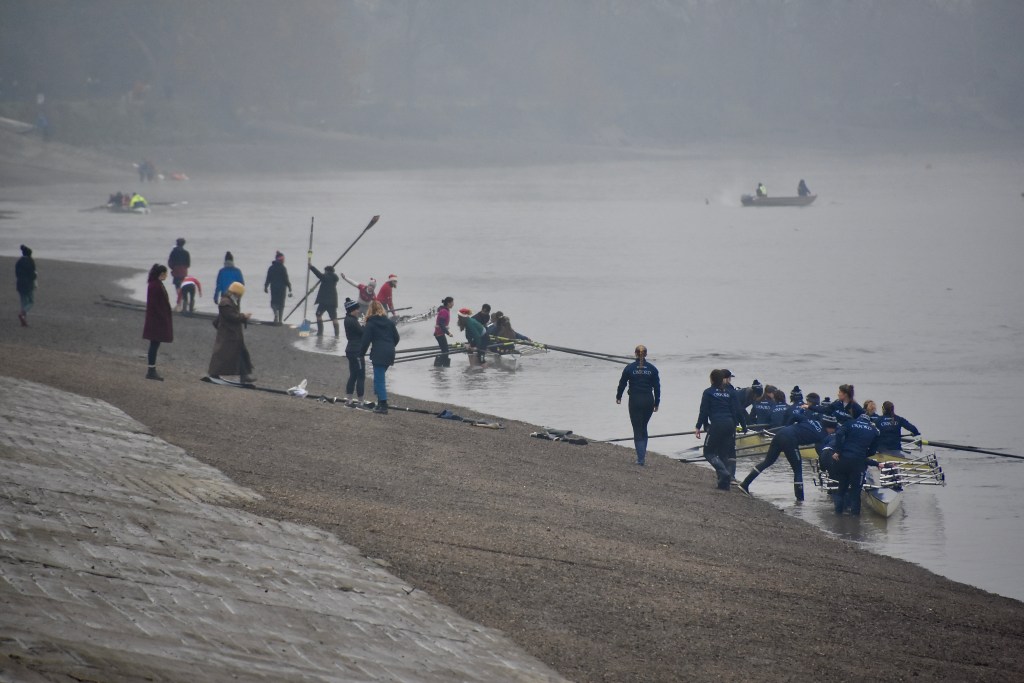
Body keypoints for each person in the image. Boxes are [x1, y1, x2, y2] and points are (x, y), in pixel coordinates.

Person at [740, 411, 837, 500]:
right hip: (790, 440)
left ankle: (744, 484)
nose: (833, 432)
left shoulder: (812, 420)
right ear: (830, 428)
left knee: (767, 462)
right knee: (798, 470)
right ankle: (800, 500)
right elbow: (821, 451)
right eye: (833, 430)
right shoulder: (823, 436)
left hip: (781, 433)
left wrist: (786, 426)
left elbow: (794, 416)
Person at [695, 369, 747, 490]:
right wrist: (743, 426)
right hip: (730, 425)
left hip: (717, 424)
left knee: (708, 452)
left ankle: (724, 473)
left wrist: (699, 426)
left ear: (712, 379)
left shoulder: (708, 392)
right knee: (724, 453)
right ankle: (724, 483)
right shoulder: (730, 392)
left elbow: (704, 411)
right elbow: (737, 410)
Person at [615, 345, 661, 466]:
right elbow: (657, 388)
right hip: (648, 400)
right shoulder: (652, 369)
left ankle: (641, 459)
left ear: (635, 354)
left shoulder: (629, 368)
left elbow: (622, 384)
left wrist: (619, 396)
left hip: (635, 400)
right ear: (646, 354)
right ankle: (642, 455)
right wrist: (657, 402)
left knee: (637, 429)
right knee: (644, 426)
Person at [831, 412, 880, 515]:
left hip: (844, 459)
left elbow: (839, 434)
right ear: (868, 421)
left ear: (858, 419)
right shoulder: (874, 430)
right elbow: (873, 451)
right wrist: (863, 454)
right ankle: (855, 519)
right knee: (856, 492)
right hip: (858, 463)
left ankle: (838, 515)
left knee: (841, 489)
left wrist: (838, 451)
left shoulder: (850, 423)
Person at [208, 282, 255, 383]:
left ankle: (244, 376)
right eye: (240, 294)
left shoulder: (230, 301)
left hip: (233, 333)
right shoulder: (226, 302)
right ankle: (214, 373)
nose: (241, 296)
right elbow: (231, 316)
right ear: (236, 292)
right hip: (228, 334)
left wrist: (242, 317)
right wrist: (243, 316)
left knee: (240, 354)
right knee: (222, 355)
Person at [359, 300, 400, 414]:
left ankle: (383, 405)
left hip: (378, 353)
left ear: (370, 310)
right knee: (378, 378)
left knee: (379, 379)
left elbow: (365, 341)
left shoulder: (370, 323)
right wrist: (390, 346)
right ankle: (380, 403)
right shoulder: (389, 322)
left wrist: (361, 354)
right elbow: (397, 338)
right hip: (390, 352)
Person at [142, 264, 173, 381]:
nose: (166, 276)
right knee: (154, 345)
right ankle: (151, 370)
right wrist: (163, 317)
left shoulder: (155, 284)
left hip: (155, 319)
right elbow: (155, 304)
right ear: (161, 274)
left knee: (154, 344)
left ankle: (151, 369)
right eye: (165, 273)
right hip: (156, 320)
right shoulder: (156, 286)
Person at [342, 298, 366, 406]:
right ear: (352, 310)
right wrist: (365, 324)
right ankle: (360, 401)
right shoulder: (352, 320)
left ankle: (349, 399)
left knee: (353, 375)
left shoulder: (348, 319)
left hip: (350, 350)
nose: (358, 311)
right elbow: (362, 332)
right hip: (357, 351)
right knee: (360, 376)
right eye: (357, 309)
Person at [309, 263, 340, 336]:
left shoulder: (326, 277)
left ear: (327, 271)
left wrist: (311, 267)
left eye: (325, 271)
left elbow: (319, 274)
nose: (324, 272)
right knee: (334, 318)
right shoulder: (334, 278)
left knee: (318, 314)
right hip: (333, 302)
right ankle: (337, 335)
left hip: (324, 302)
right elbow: (321, 276)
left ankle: (320, 332)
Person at [263, 251, 292, 325]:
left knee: (273, 303)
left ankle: (275, 313)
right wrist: (289, 287)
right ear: (281, 260)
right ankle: (280, 320)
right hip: (282, 289)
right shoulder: (283, 268)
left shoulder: (271, 268)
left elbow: (268, 278)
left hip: (274, 288)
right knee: (281, 304)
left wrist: (266, 286)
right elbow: (286, 279)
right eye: (283, 259)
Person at [15, 244, 37, 327]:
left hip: (20, 283)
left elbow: (17, 274)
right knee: (31, 301)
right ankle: (22, 313)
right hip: (28, 284)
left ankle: (23, 319)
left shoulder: (19, 262)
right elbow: (32, 274)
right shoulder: (30, 261)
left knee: (23, 302)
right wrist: (35, 277)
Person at [167, 238, 191, 311]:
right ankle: (185, 303)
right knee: (183, 287)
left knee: (178, 287)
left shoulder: (174, 252)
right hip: (184, 271)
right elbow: (188, 264)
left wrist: (173, 268)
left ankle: (179, 304)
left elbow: (170, 262)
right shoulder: (186, 253)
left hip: (176, 270)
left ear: (177, 243)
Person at [433, 297, 455, 367]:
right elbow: (441, 323)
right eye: (452, 302)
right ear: (448, 303)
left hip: (440, 333)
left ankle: (440, 367)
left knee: (445, 351)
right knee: (446, 351)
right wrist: (448, 333)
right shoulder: (444, 311)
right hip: (439, 333)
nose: (453, 304)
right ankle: (439, 366)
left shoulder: (445, 310)